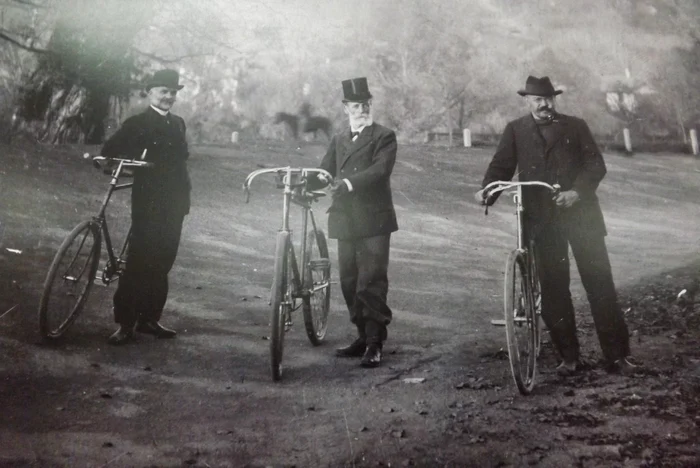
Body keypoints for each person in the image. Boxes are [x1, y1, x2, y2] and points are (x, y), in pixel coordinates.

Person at [476, 75, 636, 375]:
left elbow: (595, 165)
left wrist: (577, 192)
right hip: (542, 220)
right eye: (538, 99)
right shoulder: (516, 130)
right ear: (528, 101)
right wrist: (488, 192)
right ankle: (569, 357)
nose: (544, 104)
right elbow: (501, 166)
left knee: (599, 283)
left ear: (554, 99)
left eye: (549, 98)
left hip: (582, 217)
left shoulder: (576, 126)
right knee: (553, 289)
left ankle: (617, 356)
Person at [312, 77, 398, 367]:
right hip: (345, 220)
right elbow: (324, 171)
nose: (361, 109)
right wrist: (303, 182)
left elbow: (380, 171)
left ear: (370, 105)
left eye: (366, 104)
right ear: (345, 107)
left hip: (374, 220)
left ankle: (375, 343)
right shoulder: (339, 139)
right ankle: (362, 336)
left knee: (370, 281)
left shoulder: (384, 136)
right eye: (355, 105)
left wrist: (347, 183)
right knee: (349, 281)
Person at [101, 69, 191, 345]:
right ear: (150, 92)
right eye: (163, 91)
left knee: (164, 258)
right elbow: (111, 150)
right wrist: (109, 160)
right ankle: (126, 324)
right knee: (139, 260)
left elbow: (181, 160)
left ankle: (149, 318)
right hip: (149, 200)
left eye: (173, 92)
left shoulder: (178, 124)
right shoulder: (137, 123)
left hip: (175, 200)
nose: (169, 96)